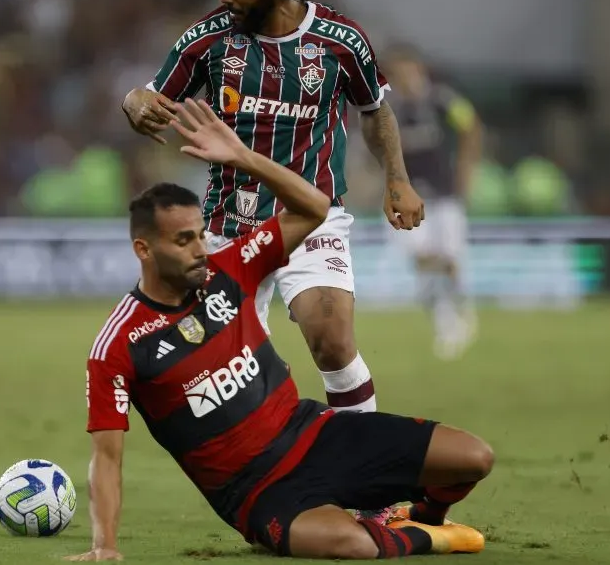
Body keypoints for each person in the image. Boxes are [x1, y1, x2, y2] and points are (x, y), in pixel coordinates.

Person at [68, 98, 492, 562]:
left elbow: (315, 207)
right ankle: (434, 539)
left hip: (317, 435)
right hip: (257, 493)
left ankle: (426, 516)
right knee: (350, 545)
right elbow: (107, 457)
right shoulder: (120, 343)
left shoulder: (227, 269)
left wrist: (243, 157)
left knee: (475, 458)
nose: (197, 249)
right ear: (143, 250)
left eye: (198, 234)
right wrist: (103, 547)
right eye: (182, 240)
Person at [120, 0, 425, 518]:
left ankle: (368, 491)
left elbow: (377, 110)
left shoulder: (341, 41)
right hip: (229, 229)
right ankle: (275, 488)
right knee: (230, 370)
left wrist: (398, 180)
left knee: (332, 339)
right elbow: (150, 95)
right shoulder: (208, 39)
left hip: (311, 218)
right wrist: (135, 104)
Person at [380, 45, 483, 360]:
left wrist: (467, 170)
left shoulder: (442, 100)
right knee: (422, 257)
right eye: (398, 74)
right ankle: (447, 324)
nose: (405, 79)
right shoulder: (390, 107)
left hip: (445, 195)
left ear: (419, 70)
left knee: (449, 261)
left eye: (408, 72)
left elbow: (471, 127)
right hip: (410, 198)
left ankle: (460, 314)